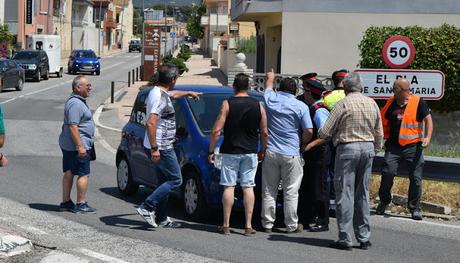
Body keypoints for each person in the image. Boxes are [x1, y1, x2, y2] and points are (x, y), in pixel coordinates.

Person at [319, 72, 383, 250]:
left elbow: (324, 131)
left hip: (348, 148)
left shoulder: (343, 104)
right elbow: (379, 132)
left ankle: (345, 238)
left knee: (345, 193)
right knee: (362, 193)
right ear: (361, 87)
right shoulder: (372, 103)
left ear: (345, 88)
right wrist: (374, 148)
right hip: (368, 148)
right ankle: (364, 237)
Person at [136, 63, 201, 228]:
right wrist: (155, 148)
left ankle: (162, 218)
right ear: (172, 79)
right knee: (175, 179)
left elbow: (171, 94)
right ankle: (146, 206)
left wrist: (188, 93)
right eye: (176, 78)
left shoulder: (157, 91)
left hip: (159, 145)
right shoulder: (160, 97)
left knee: (163, 181)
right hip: (162, 146)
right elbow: (151, 123)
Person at [208, 73, 268, 236]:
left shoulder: (227, 104)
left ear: (234, 86)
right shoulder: (258, 105)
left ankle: (226, 224)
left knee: (229, 186)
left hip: (230, 151)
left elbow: (216, 130)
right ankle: (248, 226)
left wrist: (211, 150)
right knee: (248, 186)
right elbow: (264, 132)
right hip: (250, 151)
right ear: (248, 86)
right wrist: (262, 149)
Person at [261, 69, 313, 233]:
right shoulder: (301, 106)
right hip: (291, 152)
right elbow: (309, 131)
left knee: (269, 190)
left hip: (271, 151)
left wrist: (271, 77)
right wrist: (302, 143)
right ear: (295, 91)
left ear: (280, 88)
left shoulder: (270, 100)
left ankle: (267, 223)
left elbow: (268, 86)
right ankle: (291, 225)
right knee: (291, 191)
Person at [376, 77, 433, 221]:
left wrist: (427, 137)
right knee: (387, 173)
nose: (392, 91)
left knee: (415, 178)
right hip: (394, 146)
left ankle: (414, 208)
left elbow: (428, 120)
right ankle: (384, 201)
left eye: (395, 88)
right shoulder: (391, 102)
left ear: (403, 90)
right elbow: (382, 122)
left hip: (413, 146)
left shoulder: (418, 102)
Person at [297, 73, 331, 232]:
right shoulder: (312, 108)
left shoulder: (319, 111)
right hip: (313, 154)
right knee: (309, 186)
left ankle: (323, 221)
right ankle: (309, 217)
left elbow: (326, 135)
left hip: (319, 154)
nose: (303, 93)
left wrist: (308, 146)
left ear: (310, 93)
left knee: (319, 187)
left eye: (305, 90)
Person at [58, 75, 96, 213]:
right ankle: (81, 203)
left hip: (71, 145)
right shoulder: (75, 103)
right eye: (87, 85)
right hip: (77, 145)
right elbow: (73, 126)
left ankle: (66, 202)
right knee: (83, 173)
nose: (90, 87)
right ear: (77, 87)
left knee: (69, 171)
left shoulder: (77, 101)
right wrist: (80, 147)